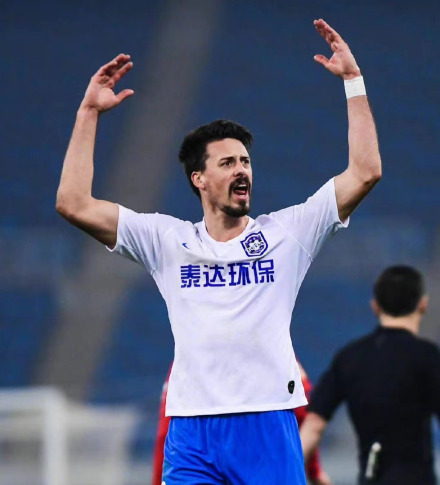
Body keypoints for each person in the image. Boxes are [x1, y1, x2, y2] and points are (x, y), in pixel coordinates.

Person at [56, 18, 381, 484]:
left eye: (245, 161)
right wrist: (88, 113)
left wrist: (354, 82)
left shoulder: (287, 234)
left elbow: (365, 172)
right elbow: (73, 203)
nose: (241, 170)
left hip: (267, 419)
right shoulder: (167, 241)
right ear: (199, 179)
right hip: (191, 430)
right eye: (227, 162)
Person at [300, 266, 440, 485]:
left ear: (375, 306)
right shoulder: (428, 357)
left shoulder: (350, 358)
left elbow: (313, 426)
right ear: (423, 304)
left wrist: (285, 474)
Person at [151, 363, 333, 485]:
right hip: (258, 452)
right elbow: (307, 418)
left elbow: (164, 434)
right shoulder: (273, 359)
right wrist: (314, 470)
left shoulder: (185, 367)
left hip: (197, 448)